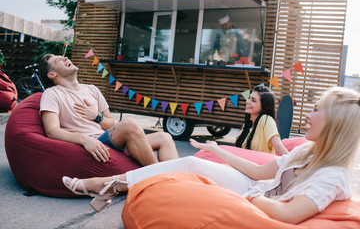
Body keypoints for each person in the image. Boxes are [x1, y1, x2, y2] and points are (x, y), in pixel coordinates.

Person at [63, 87, 360, 224]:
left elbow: (289, 214)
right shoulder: (309, 151)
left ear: (336, 124)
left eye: (317, 109)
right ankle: (110, 184)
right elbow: (259, 172)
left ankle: (104, 185)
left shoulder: (332, 176)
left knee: (190, 172)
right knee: (193, 162)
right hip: (257, 189)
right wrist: (217, 151)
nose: (308, 115)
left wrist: (246, 199)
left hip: (258, 203)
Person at [39, 54, 179, 166]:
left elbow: (111, 123)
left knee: (164, 137)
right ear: (52, 74)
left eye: (64, 57)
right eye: (58, 60)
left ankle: (178, 180)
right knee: (129, 124)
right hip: (92, 145)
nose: (65, 58)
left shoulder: (92, 89)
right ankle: (159, 176)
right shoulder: (52, 94)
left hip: (108, 139)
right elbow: (52, 131)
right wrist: (85, 140)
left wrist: (96, 117)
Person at [235, 85, 289, 155]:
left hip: (260, 164)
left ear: (264, 106)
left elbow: (278, 146)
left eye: (253, 100)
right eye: (249, 98)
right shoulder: (248, 124)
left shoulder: (266, 119)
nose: (247, 101)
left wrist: (294, 163)